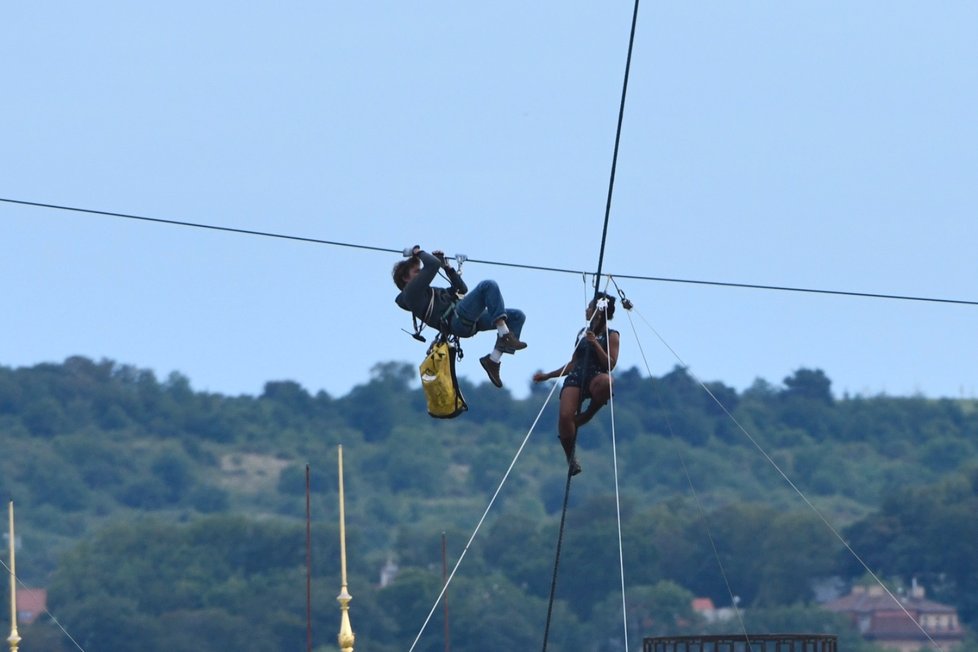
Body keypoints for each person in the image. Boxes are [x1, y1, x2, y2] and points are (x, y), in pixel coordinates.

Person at [394, 245, 527, 388]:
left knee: (517, 316)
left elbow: (461, 289)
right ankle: (505, 334)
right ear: (406, 278)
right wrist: (417, 252)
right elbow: (432, 264)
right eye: (416, 271)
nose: (421, 273)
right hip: (456, 321)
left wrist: (447, 267)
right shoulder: (411, 295)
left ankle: (493, 360)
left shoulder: (430, 292)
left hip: (466, 319)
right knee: (488, 285)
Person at [532, 292, 620, 476]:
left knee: (607, 382)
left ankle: (588, 413)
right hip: (577, 376)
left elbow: (610, 365)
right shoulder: (582, 333)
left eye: (590, 307)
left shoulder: (612, 335)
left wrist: (595, 344)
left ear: (597, 311)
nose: (586, 310)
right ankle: (570, 458)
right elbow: (573, 363)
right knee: (565, 417)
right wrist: (548, 376)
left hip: (596, 376)